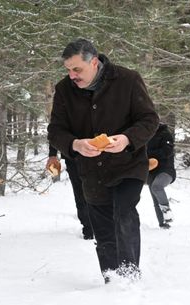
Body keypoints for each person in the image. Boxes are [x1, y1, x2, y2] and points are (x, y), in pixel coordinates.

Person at [47, 39, 158, 282]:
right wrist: (75, 145)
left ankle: (129, 278)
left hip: (128, 164)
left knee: (123, 212)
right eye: (68, 69)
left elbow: (149, 120)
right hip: (90, 170)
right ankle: (111, 279)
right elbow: (56, 130)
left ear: (94, 62)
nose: (72, 75)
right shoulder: (64, 89)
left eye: (77, 69)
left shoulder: (128, 80)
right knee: (103, 226)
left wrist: (127, 139)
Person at [46, 144, 94, 240]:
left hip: (98, 154)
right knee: (80, 192)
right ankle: (88, 229)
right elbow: (56, 130)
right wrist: (52, 155)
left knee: (98, 192)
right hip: (74, 156)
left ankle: (99, 226)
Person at [146, 123, 176, 229]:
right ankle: (163, 223)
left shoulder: (165, 134)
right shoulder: (145, 135)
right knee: (155, 198)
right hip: (151, 171)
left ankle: (167, 212)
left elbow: (166, 151)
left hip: (166, 170)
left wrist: (148, 154)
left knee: (157, 186)